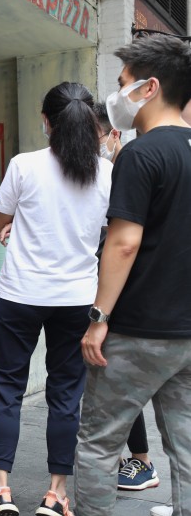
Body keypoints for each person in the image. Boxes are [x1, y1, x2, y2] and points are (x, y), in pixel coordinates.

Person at [35, 35, 191, 516]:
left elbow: (123, 244)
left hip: (140, 328)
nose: (117, 92)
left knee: (100, 440)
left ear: (150, 88)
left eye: (124, 81)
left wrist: (98, 316)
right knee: (186, 445)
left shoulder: (141, 155)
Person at [0, 82, 112, 516]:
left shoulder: (24, 165)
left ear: (46, 121)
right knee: (66, 396)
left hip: (21, 295)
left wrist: (10, 232)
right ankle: (56, 495)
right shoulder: (106, 172)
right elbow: (112, 235)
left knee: (7, 390)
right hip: (77, 298)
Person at [92, 103, 159, 492]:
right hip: (119, 294)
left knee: (123, 382)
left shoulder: (129, 168)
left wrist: (101, 314)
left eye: (97, 139)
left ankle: (143, 462)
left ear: (113, 136)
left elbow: (123, 244)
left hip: (126, 297)